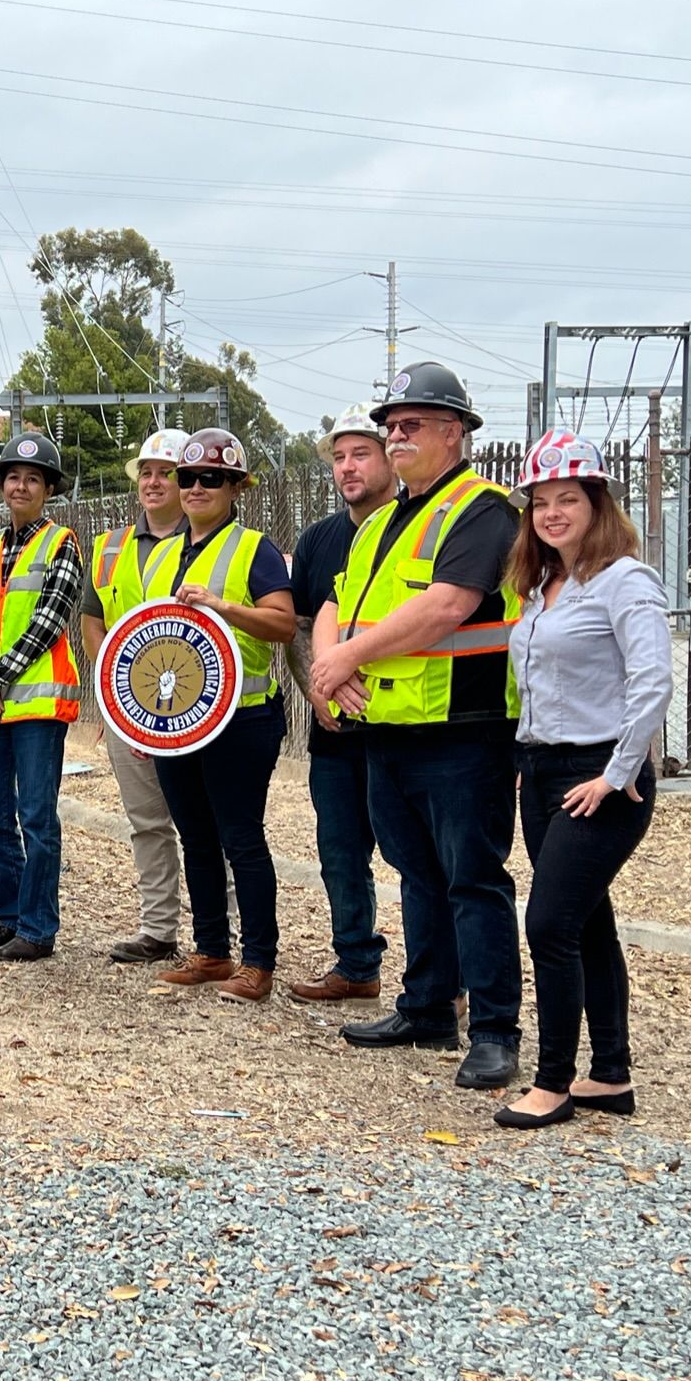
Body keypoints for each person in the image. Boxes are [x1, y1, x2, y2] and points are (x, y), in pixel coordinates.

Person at [310, 362, 523, 1091]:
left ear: (455, 432)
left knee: (473, 881)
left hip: (462, 729)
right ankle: (427, 1006)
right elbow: (337, 600)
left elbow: (446, 607)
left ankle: (494, 1030)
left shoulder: (484, 509)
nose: (394, 437)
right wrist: (328, 666)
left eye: (411, 425)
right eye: (389, 426)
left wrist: (343, 661)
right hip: (390, 729)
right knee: (417, 877)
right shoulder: (382, 520)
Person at [495, 430, 671, 1131]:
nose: (551, 513)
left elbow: (652, 681)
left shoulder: (624, 579)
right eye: (540, 502)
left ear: (597, 503)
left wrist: (615, 771)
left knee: (548, 925)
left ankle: (552, 1083)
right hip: (539, 771)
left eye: (567, 498)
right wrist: (521, 762)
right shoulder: (542, 585)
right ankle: (611, 1076)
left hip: (597, 775)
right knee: (587, 924)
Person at [142, 428, 296, 999]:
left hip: (243, 717)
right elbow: (147, 645)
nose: (196, 487)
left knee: (241, 838)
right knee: (195, 838)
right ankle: (210, 952)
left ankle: (259, 962)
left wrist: (225, 607)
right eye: (188, 477)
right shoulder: (160, 556)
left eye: (212, 477)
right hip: (176, 721)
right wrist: (142, 721)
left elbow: (283, 624)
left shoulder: (254, 549)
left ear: (236, 488)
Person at [283, 405, 397, 1001]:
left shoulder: (416, 528)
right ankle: (356, 965)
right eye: (339, 457)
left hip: (402, 724)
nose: (348, 467)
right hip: (334, 731)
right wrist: (317, 691)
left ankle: (446, 982)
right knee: (340, 853)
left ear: (389, 458)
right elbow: (300, 627)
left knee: (417, 857)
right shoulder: (319, 540)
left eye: (362, 453)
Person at [0, 432, 82, 962]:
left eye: (33, 479)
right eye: (13, 477)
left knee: (35, 815)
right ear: (1, 485)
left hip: (35, 703)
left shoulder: (62, 545)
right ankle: (9, 916)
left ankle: (38, 926)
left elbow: (46, 622)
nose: (21, 485)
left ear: (48, 489)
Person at [79, 428, 189, 965]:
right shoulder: (109, 546)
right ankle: (159, 929)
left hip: (196, 709)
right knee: (147, 821)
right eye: (146, 472)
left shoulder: (210, 541)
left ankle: (227, 934)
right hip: (130, 708)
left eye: (164, 472)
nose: (152, 481)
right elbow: (93, 618)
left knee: (207, 825)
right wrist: (112, 686)